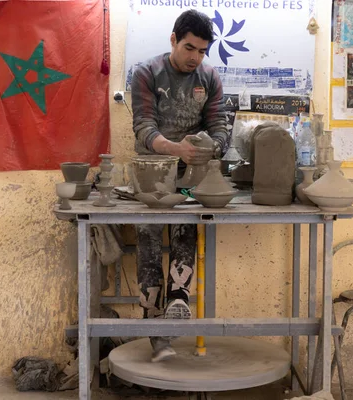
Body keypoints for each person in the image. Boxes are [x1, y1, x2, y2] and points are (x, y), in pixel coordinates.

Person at [131, 9, 228, 362]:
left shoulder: (210, 77)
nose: (195, 58)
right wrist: (176, 149)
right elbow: (143, 127)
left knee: (186, 233)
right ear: (173, 40)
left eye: (202, 51)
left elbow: (219, 125)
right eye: (189, 48)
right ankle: (154, 333)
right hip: (152, 174)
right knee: (149, 243)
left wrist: (211, 148)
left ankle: (178, 303)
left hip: (191, 176)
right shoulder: (146, 73)